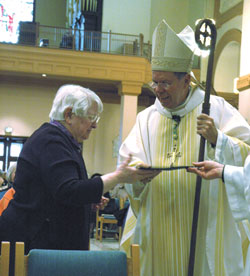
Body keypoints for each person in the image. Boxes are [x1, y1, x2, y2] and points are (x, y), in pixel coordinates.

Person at [119, 19, 250, 276]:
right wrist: (138, 174)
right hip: (157, 226)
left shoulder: (217, 109)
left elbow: (247, 156)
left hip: (204, 226)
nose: (158, 90)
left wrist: (217, 139)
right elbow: (127, 161)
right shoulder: (146, 119)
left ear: (187, 79)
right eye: (154, 83)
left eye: (165, 83)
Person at [0, 84, 159, 276]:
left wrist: (87, 203)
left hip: (47, 240)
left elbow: (56, 192)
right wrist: (118, 176)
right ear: (69, 115)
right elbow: (68, 190)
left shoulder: (62, 140)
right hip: (38, 243)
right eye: (91, 117)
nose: (95, 124)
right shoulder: (51, 140)